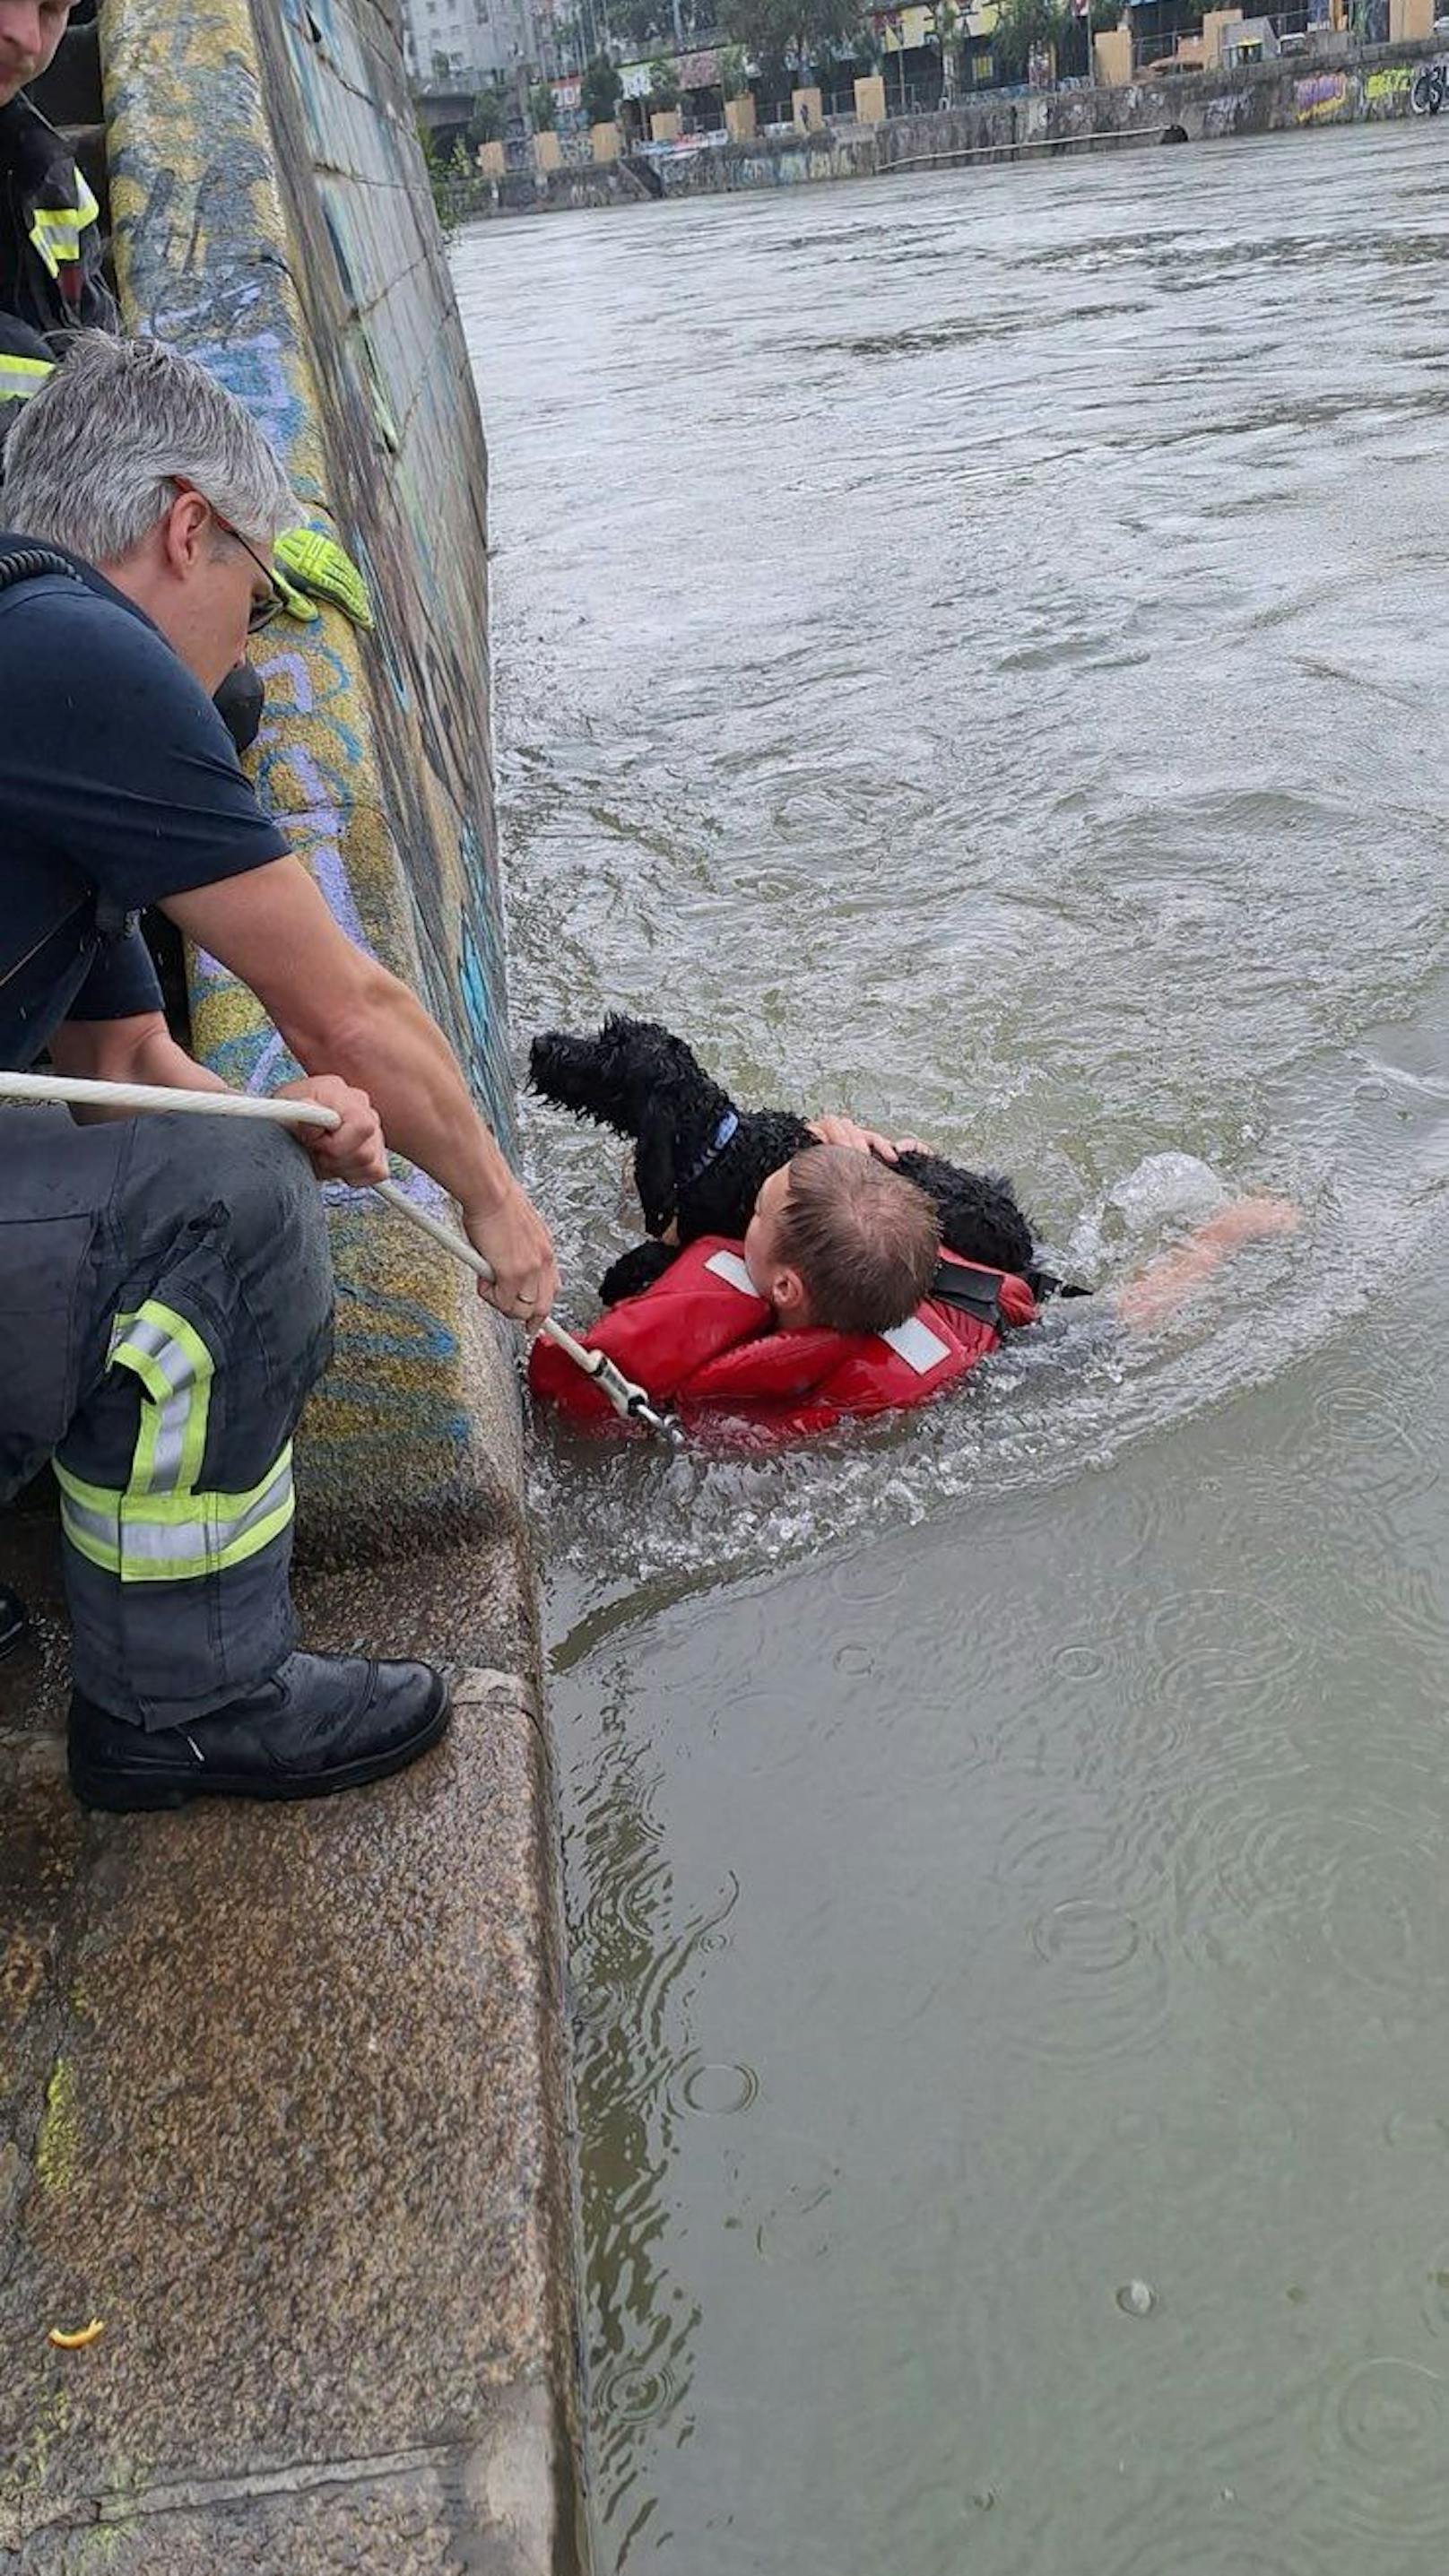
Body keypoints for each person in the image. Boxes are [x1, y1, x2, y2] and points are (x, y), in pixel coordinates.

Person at [0, 329, 556, 1810]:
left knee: (231, 1153)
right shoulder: (78, 656)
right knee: (231, 1217)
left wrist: (262, 1115)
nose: (253, 638)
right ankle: (189, 1699)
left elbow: (114, 1055)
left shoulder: (24, 645)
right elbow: (350, 1009)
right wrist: (500, 1208)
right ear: (187, 523)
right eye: (258, 587)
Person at [529, 1134, 1297, 1439]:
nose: (742, 1224)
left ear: (786, 1288)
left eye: (755, 1215)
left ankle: (1220, 1236)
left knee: (1135, 1310)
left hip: (1017, 1356)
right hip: (966, 1306)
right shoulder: (876, 1261)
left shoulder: (838, 1384)